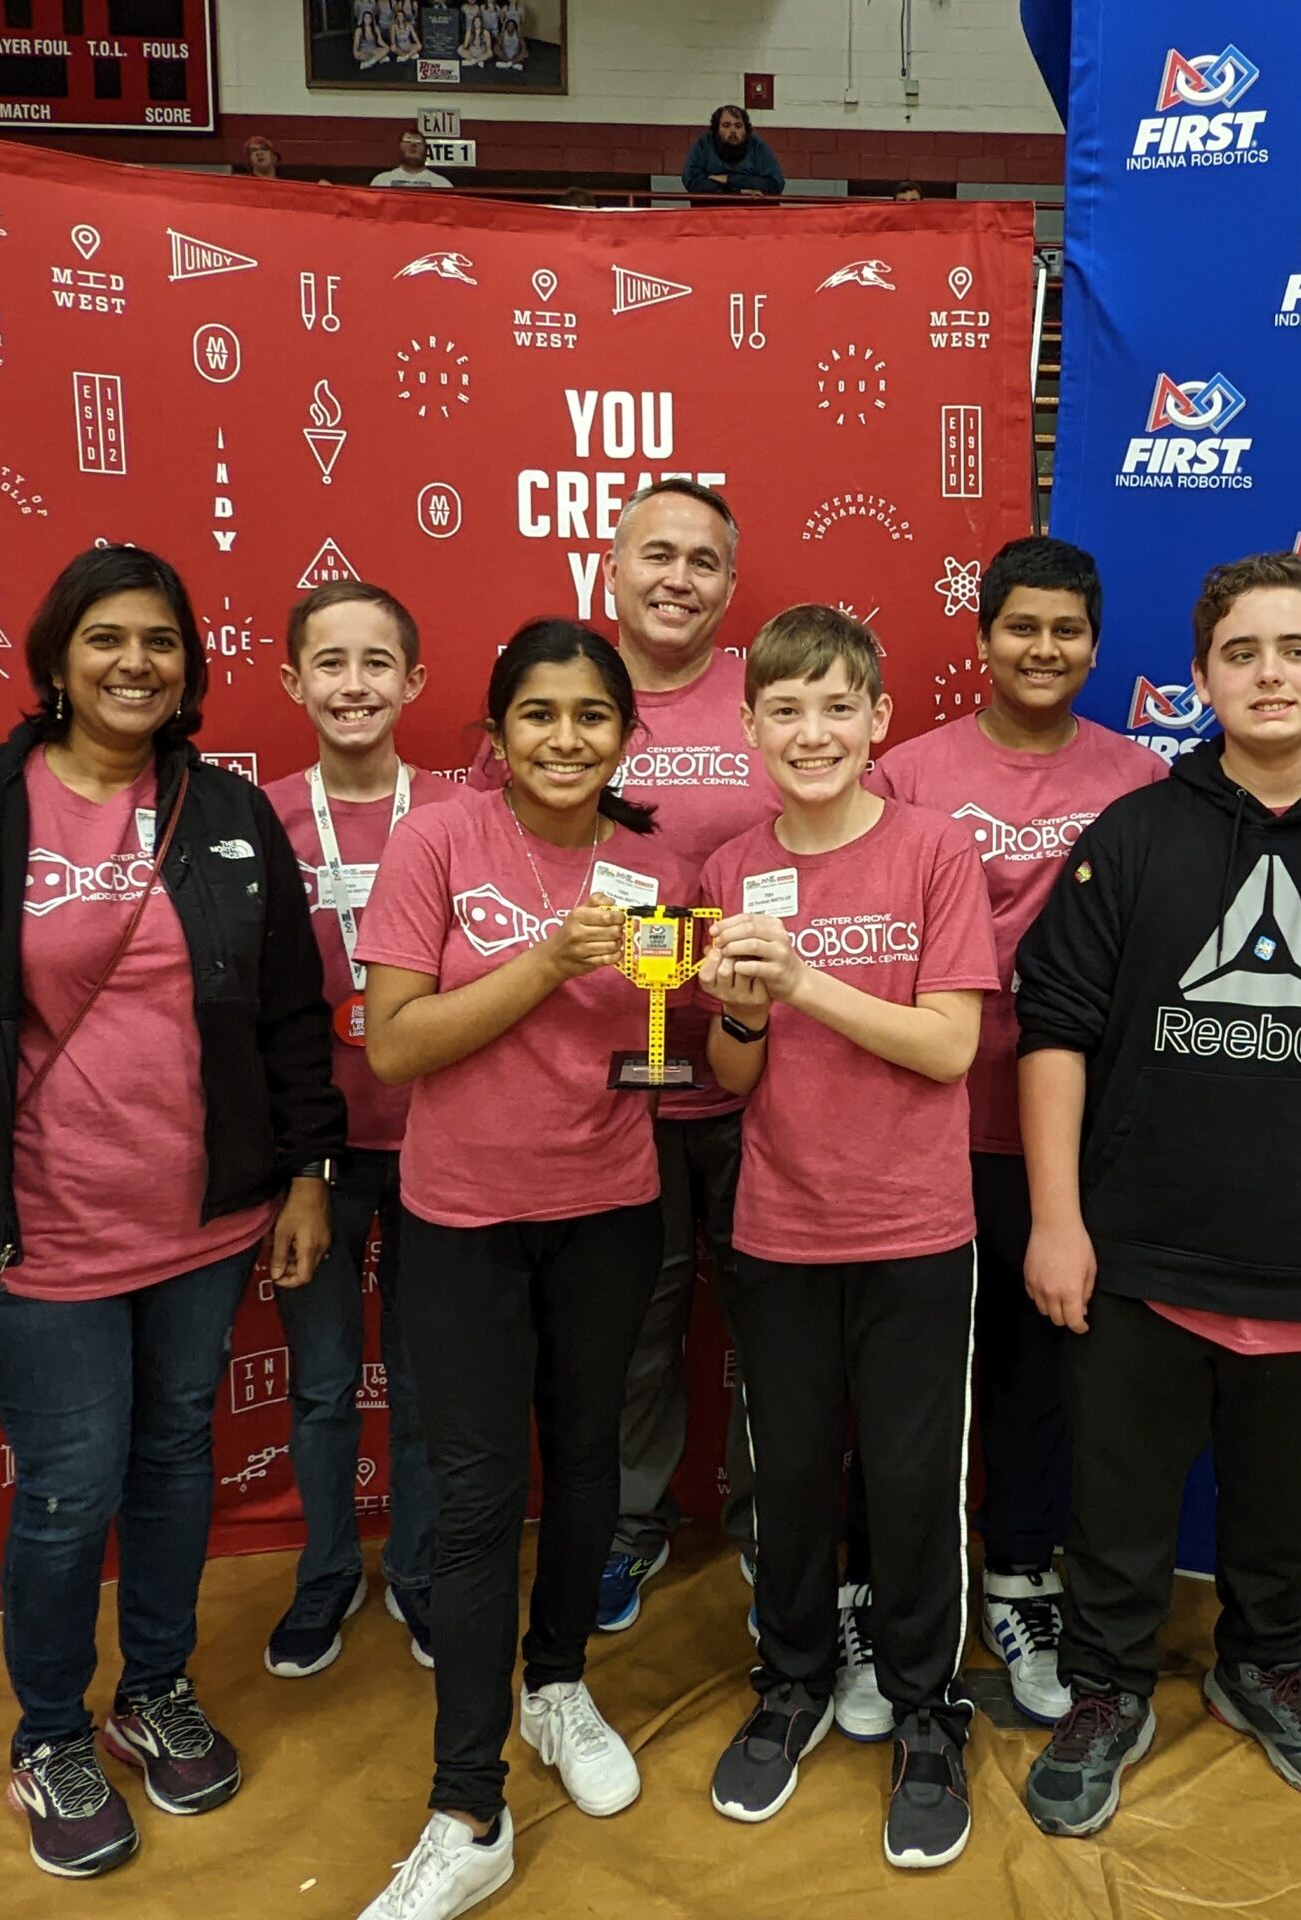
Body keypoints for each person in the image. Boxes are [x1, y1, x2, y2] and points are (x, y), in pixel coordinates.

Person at [0, 545, 342, 1881]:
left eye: (161, 641)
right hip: (29, 1229)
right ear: (56, 659)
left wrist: (306, 1170)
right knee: (68, 1490)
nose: (136, 663)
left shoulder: (225, 810)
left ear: (189, 666)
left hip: (200, 1225)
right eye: (107, 637)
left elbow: (290, 1014)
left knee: (173, 1458)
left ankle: (153, 1690)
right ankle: (50, 1735)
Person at [1013, 552, 1301, 1839]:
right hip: (1134, 1258)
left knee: (1284, 1514)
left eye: (1294, 650)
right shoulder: (1132, 837)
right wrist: (1057, 1220)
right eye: (1240, 653)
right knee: (1115, 1512)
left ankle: (1263, 1666)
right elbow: (1052, 1033)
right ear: (1199, 677)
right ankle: (1106, 1688)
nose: (1267, 674)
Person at [353, 621, 681, 1920]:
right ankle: (467, 1808)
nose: (565, 737)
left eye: (591, 715)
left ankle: (557, 1686)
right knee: (482, 1498)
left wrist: (735, 1001)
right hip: (464, 1222)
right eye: (538, 713)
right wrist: (545, 961)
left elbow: (681, 1036)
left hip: (611, 1211)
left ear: (625, 735)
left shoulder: (657, 865)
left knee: (589, 1463)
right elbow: (393, 1046)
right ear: (495, 733)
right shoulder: (437, 841)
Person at [695, 606, 998, 1870]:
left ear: (879, 718)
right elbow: (731, 1073)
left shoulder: (933, 850)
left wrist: (804, 982)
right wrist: (743, 1015)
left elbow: (949, 1046)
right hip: (779, 1225)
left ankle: (927, 1710)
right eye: (785, 710)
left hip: (914, 1228)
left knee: (915, 1487)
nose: (810, 732)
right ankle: (793, 1682)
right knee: (791, 1476)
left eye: (836, 707)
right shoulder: (729, 867)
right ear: (750, 726)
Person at [872, 536, 1165, 1726]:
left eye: (1066, 630)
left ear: (1094, 644)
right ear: (983, 636)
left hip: (1077, 1135)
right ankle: (896, 1593)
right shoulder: (905, 773)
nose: (1043, 650)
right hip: (925, 1126)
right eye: (1021, 627)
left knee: (1045, 1371)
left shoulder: (1142, 779)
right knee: (913, 1382)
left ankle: (1021, 1576)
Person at [574, 481, 771, 1639]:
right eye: (657, 554)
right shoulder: (570, 696)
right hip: (614, 1094)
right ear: (611, 568)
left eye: (703, 560)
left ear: (730, 583)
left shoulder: (767, 696)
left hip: (767, 1085)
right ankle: (627, 1526)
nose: (678, 579)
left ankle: (768, 1521)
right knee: (631, 1335)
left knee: (773, 1332)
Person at [259, 584, 465, 1679]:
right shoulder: (258, 819)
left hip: (441, 1140)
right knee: (324, 1382)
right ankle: (327, 1574)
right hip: (317, 1154)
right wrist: (294, 1156)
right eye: (330, 664)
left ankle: (421, 1573)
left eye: (376, 663)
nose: (354, 685)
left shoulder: (461, 812)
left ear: (413, 681)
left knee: (429, 1385)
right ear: (293, 680)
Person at [683, 105, 786, 197]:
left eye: (738, 126)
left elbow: (775, 184)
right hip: (711, 208)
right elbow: (692, 180)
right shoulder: (704, 144)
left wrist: (729, 179)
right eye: (726, 125)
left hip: (751, 210)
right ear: (716, 129)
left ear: (746, 130)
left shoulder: (757, 146)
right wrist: (738, 192)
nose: (733, 131)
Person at [373, 130, 454, 191]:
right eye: (407, 141)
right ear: (399, 147)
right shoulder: (381, 181)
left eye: (419, 142)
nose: (413, 145)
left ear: (426, 150)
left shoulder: (442, 184)